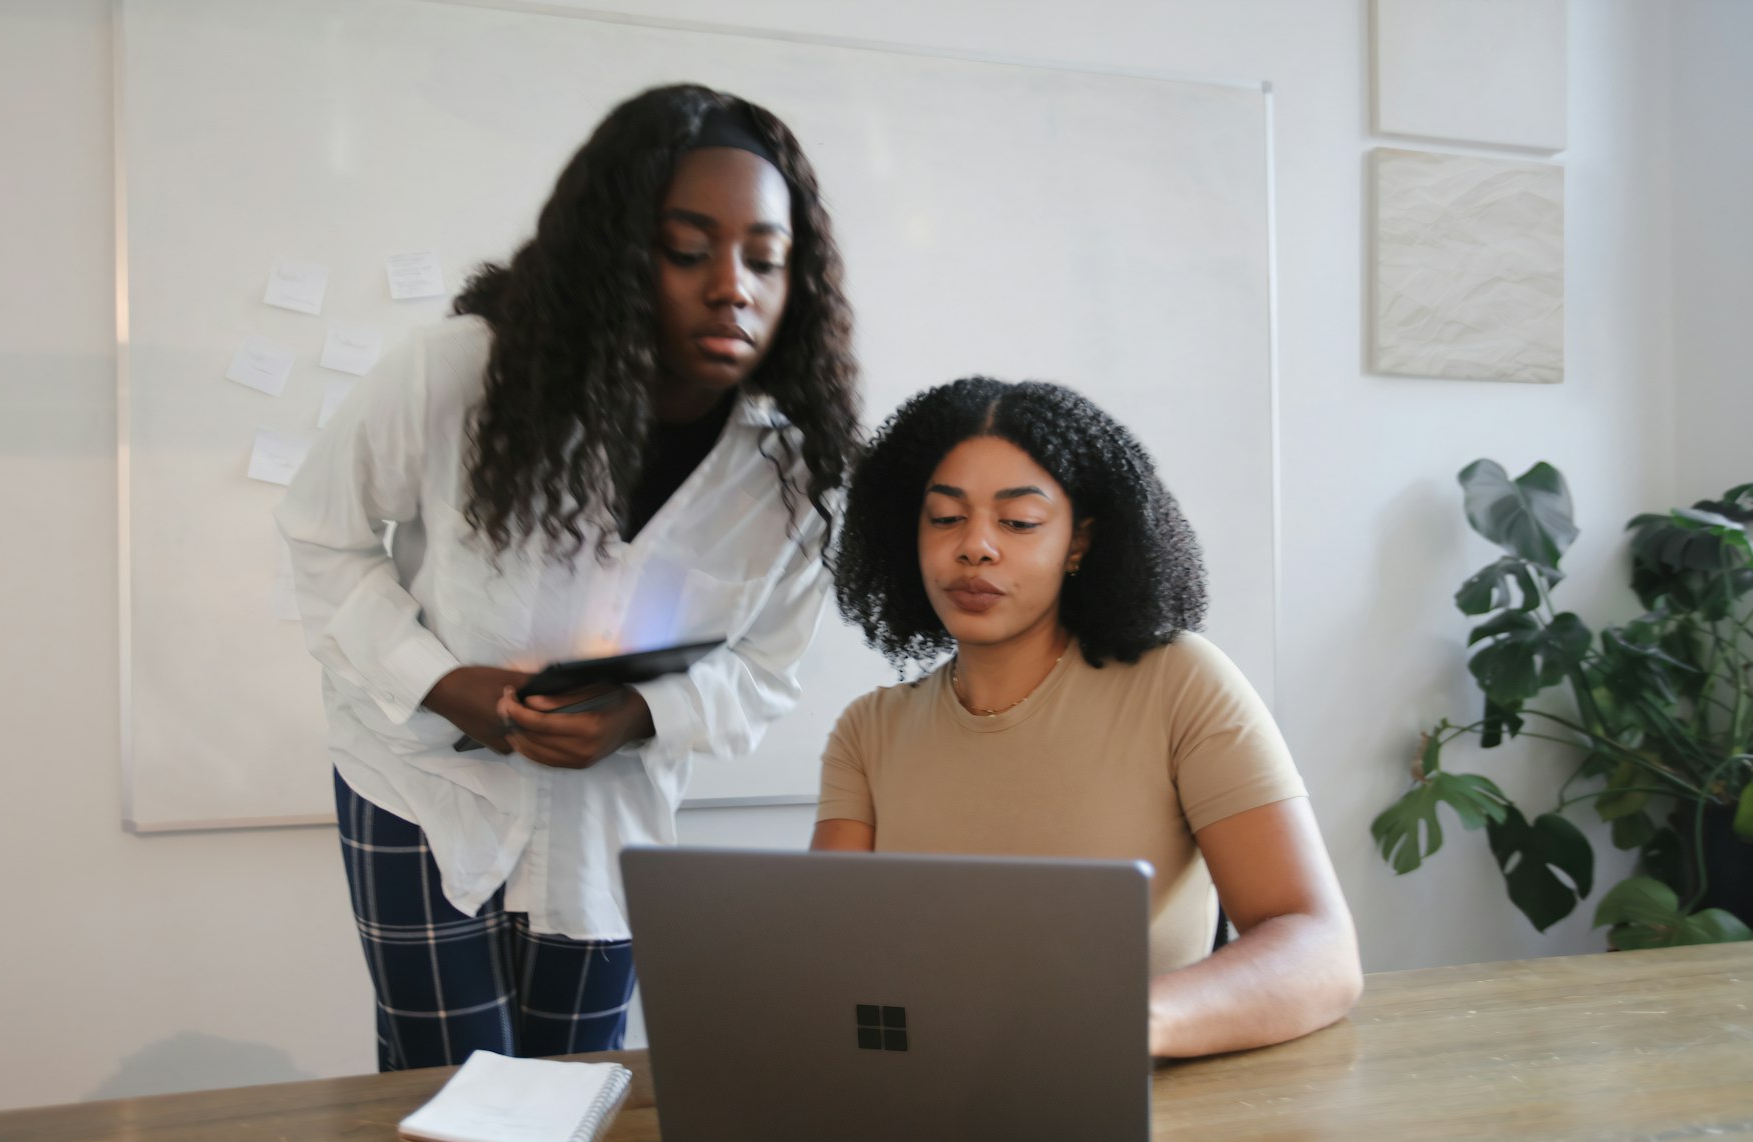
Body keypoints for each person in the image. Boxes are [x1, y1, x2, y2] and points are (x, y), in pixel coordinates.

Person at [279, 84, 859, 1069]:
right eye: (688, 250)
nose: (734, 287)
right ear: (614, 253)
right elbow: (320, 537)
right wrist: (443, 682)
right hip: (419, 782)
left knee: (574, 1093)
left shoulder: (792, 469)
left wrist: (636, 716)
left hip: (607, 816)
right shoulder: (456, 375)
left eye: (766, 258)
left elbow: (766, 669)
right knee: (447, 1092)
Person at [813, 378, 1360, 1058]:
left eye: (1018, 522)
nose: (975, 546)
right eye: (946, 518)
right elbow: (832, 970)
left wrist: (1128, 1024)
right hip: (926, 1094)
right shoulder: (868, 733)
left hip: (1138, 1110)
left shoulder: (1180, 682)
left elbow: (1320, 948)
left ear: (1079, 543)